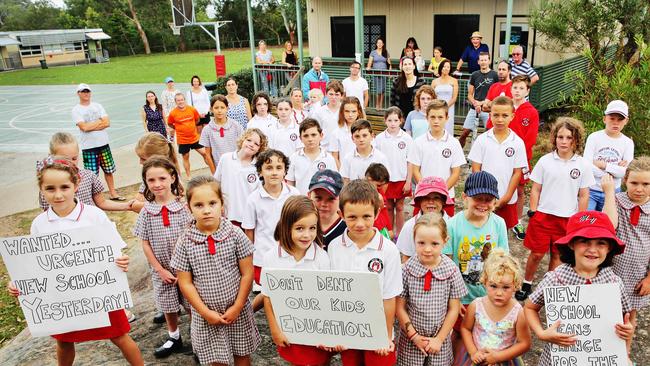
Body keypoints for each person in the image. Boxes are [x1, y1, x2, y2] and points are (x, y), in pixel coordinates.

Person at [8, 157, 143, 365]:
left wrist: (120, 261)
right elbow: (34, 263)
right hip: (63, 297)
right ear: (41, 190)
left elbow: (114, 250)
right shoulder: (39, 224)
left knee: (119, 336)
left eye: (64, 187)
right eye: (50, 188)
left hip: (99, 293)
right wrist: (19, 283)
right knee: (63, 342)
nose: (58, 194)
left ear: (76, 185)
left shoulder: (94, 216)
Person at [523, 210, 635, 366]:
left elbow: (625, 319)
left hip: (601, 359)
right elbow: (529, 307)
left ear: (609, 247)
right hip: (560, 358)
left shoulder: (614, 283)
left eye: (601, 243)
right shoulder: (556, 278)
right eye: (584, 241)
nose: (592, 249)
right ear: (571, 244)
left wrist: (627, 332)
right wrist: (541, 333)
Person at [171, 176, 260, 365]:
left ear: (222, 205)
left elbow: (247, 273)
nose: (207, 210)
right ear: (189, 208)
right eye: (199, 205)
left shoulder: (235, 233)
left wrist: (237, 306)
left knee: (242, 355)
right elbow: (185, 283)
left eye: (212, 203)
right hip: (206, 316)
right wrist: (205, 312)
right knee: (215, 359)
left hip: (238, 311)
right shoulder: (185, 241)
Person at [516, 117, 593, 301]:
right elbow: (536, 188)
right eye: (560, 137)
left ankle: (549, 287)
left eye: (569, 137)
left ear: (576, 140)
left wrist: (580, 220)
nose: (564, 141)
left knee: (557, 256)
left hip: (567, 219)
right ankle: (527, 283)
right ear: (554, 138)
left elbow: (583, 195)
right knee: (536, 254)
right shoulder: (545, 161)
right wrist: (533, 210)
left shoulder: (582, 165)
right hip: (543, 216)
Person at [327, 179, 402, 364]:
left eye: (366, 216)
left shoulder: (389, 250)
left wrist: (384, 336)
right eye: (352, 217)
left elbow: (389, 297)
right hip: (348, 329)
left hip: (377, 331)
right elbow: (331, 292)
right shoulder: (334, 247)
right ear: (341, 214)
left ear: (377, 212)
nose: (360, 224)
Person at [442, 171, 509, 359]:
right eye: (478, 198)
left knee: (486, 336)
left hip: (488, 295)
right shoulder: (453, 224)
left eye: (488, 199)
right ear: (465, 197)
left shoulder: (498, 224)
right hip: (461, 296)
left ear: (495, 201)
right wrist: (453, 298)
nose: (483, 204)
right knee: (458, 333)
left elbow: (503, 260)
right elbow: (446, 263)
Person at [262, 196, 332, 366]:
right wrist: (275, 330)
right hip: (290, 329)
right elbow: (268, 298)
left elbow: (328, 298)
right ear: (287, 226)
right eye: (300, 228)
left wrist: (328, 333)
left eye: (312, 228)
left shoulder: (321, 257)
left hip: (318, 329)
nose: (307, 235)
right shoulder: (271, 257)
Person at [133, 156, 192, 358]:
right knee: (168, 305)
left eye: (162, 178)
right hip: (162, 269)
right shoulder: (147, 212)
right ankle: (174, 337)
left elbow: (193, 235)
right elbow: (145, 242)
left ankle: (200, 337)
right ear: (146, 182)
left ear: (172, 178)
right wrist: (159, 269)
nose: (157, 184)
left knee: (192, 303)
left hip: (187, 269)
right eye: (151, 180)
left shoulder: (184, 207)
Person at [396, 213, 467, 366]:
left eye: (434, 244)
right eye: (421, 243)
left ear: (445, 241)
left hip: (439, 341)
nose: (427, 249)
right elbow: (399, 307)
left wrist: (439, 339)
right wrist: (414, 336)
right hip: (411, 340)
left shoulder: (451, 271)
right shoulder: (406, 270)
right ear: (414, 240)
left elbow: (454, 309)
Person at [602, 157, 650, 356]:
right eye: (634, 183)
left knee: (629, 319)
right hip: (612, 270)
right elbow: (609, 225)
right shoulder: (617, 201)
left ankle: (624, 355)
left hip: (637, 275)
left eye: (646, 184)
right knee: (605, 316)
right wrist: (609, 193)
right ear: (625, 182)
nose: (639, 188)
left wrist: (649, 278)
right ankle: (603, 352)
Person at [242, 149, 300, 305]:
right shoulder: (253, 199)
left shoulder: (294, 194)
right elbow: (249, 231)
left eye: (278, 168)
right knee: (268, 296)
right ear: (260, 172)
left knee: (290, 293)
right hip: (263, 257)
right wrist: (250, 260)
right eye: (269, 168)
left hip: (290, 254)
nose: (274, 172)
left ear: (285, 171)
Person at [459, 250, 530, 365]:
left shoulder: (518, 313)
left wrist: (497, 357)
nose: (499, 293)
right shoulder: (476, 306)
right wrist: (473, 352)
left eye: (505, 287)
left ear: (516, 285)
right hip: (477, 358)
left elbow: (524, 343)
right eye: (493, 286)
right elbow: (465, 328)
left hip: (505, 360)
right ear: (485, 282)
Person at [468, 96, 527, 230]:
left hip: (506, 199)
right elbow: (476, 169)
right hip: (484, 198)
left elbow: (517, 173)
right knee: (481, 229)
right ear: (490, 116)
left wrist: (506, 197)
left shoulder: (517, 143)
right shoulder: (482, 140)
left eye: (504, 115)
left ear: (512, 116)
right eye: (496, 115)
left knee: (501, 231)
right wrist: (483, 194)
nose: (500, 119)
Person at [38, 132, 134, 213]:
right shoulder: (49, 185)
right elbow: (47, 212)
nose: (71, 162)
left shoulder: (89, 176)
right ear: (51, 156)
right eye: (65, 158)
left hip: (89, 225)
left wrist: (126, 206)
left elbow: (101, 202)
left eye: (74, 158)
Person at [408, 100, 466, 216]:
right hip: (423, 196)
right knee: (420, 228)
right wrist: (427, 190)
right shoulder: (418, 142)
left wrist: (441, 191)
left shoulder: (454, 143)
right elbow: (415, 170)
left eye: (440, 117)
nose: (436, 121)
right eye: (432, 117)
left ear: (447, 118)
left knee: (444, 230)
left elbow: (455, 173)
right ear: (427, 118)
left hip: (446, 196)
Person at [72, 83, 124, 201]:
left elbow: (107, 123)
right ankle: (94, 198)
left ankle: (113, 193)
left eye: (87, 91)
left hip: (103, 144)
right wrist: (98, 122)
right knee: (91, 175)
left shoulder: (98, 106)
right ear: (78, 93)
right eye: (83, 91)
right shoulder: (76, 110)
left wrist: (91, 125)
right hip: (89, 147)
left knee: (109, 170)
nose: (86, 93)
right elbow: (83, 127)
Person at [583, 100, 634, 211]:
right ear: (604, 119)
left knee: (608, 224)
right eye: (612, 118)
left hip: (613, 191)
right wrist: (615, 171)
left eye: (620, 119)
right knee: (587, 221)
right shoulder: (594, 137)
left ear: (626, 121)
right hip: (591, 189)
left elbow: (625, 172)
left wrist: (604, 165)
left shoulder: (628, 143)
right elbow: (586, 166)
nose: (616, 123)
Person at [214, 128, 267, 227]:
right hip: (227, 215)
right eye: (249, 140)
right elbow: (215, 184)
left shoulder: (259, 167)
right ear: (243, 140)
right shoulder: (226, 158)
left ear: (260, 149)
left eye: (256, 144)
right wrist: (218, 204)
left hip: (248, 218)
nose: (251, 144)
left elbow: (259, 194)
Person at [374, 107, 413, 236]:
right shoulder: (379, 139)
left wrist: (408, 181)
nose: (392, 123)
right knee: (388, 207)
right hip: (386, 180)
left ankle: (400, 235)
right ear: (385, 121)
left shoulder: (407, 139)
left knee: (400, 207)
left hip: (401, 178)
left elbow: (410, 161)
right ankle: (390, 233)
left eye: (395, 120)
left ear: (401, 121)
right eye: (390, 120)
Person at [397, 176, 454, 262]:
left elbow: (452, 257)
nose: (431, 202)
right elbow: (406, 258)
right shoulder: (409, 226)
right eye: (426, 198)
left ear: (443, 201)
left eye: (436, 198)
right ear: (419, 201)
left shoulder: (451, 225)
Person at [167, 92, 214, 180]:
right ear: (175, 102)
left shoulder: (192, 109)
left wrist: (191, 127)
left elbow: (197, 120)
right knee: (186, 157)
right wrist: (178, 128)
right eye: (178, 100)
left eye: (182, 100)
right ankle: (189, 176)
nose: (180, 102)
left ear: (184, 100)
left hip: (194, 138)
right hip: (183, 140)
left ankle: (213, 169)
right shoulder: (173, 113)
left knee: (205, 153)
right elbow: (170, 124)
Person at [287, 118, 338, 194]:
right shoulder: (294, 158)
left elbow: (334, 183)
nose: (310, 139)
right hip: (301, 202)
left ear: (321, 135)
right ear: (300, 138)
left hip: (321, 202)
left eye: (313, 135)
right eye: (306, 136)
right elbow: (290, 184)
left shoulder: (328, 158)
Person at [458, 53, 498, 147]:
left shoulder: (494, 75)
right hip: (474, 108)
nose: (483, 62)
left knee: (490, 133)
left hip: (487, 109)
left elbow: (496, 94)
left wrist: (483, 103)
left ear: (489, 61)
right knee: (464, 133)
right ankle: (459, 153)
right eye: (481, 60)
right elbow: (470, 94)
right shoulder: (475, 75)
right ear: (478, 62)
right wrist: (475, 104)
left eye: (485, 60)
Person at [200, 95, 244, 174]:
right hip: (219, 170)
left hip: (237, 168)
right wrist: (214, 173)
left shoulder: (236, 125)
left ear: (227, 108)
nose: (219, 111)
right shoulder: (207, 130)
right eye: (216, 108)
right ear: (211, 109)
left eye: (222, 107)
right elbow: (208, 155)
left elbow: (242, 149)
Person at [340, 119, 390, 183]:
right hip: (353, 192)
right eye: (357, 136)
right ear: (352, 138)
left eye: (364, 135)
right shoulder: (348, 158)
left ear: (372, 136)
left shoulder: (381, 158)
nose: (361, 139)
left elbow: (385, 182)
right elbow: (345, 181)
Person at [308, 169, 346, 250]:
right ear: (309, 195)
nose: (324, 204)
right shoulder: (300, 226)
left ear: (341, 198)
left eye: (331, 199)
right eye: (318, 198)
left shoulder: (348, 228)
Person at [328, 95, 363, 168]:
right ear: (342, 112)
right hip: (344, 173)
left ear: (359, 112)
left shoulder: (366, 132)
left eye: (353, 111)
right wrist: (342, 174)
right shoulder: (336, 133)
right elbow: (335, 157)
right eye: (347, 111)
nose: (350, 115)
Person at [313, 80, 345, 149]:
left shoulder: (346, 111)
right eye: (331, 94)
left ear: (342, 96)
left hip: (343, 148)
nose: (334, 97)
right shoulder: (319, 112)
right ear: (326, 94)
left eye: (337, 94)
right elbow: (315, 131)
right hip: (325, 148)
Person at [365, 163, 394, 239]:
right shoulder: (360, 194)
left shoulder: (380, 192)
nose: (380, 188)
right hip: (368, 229)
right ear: (369, 179)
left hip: (381, 228)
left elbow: (384, 211)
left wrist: (389, 228)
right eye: (378, 185)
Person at [431, 59, 459, 136]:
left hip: (449, 108)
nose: (446, 68)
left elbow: (454, 97)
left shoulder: (454, 81)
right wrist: (438, 106)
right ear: (441, 68)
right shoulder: (435, 81)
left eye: (448, 67)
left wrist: (445, 106)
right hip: (437, 107)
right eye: (444, 66)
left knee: (448, 127)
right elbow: (432, 96)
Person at [366, 37, 391, 109]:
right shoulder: (373, 52)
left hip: (384, 73)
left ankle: (380, 105)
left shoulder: (386, 52)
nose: (379, 44)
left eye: (381, 43)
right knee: (378, 89)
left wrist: (390, 73)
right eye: (378, 43)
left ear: (383, 44)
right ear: (376, 44)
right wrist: (368, 67)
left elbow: (389, 64)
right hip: (376, 73)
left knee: (382, 89)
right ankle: (377, 104)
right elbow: (370, 62)